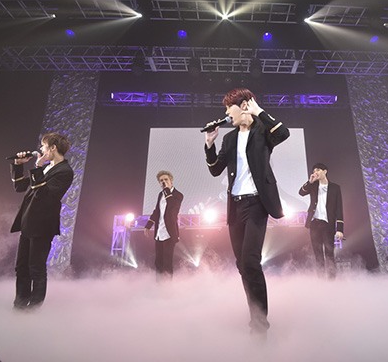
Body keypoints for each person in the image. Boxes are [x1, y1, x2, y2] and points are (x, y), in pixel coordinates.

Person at [204, 88, 290, 336]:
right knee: (243, 265)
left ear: (242, 106)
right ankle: (255, 315)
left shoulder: (262, 130)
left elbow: (283, 133)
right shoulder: (230, 139)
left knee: (251, 261)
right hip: (236, 206)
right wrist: (209, 143)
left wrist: (258, 111)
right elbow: (215, 169)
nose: (226, 113)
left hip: (256, 205)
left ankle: (260, 325)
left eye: (228, 108)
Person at [10, 133, 74, 309]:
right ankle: (20, 304)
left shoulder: (65, 171)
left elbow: (44, 196)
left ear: (53, 148)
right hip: (28, 221)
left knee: (36, 268)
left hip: (43, 224)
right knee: (21, 267)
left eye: (44, 146)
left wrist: (38, 167)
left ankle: (34, 308)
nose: (41, 149)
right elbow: (20, 186)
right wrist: (18, 165)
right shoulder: (47, 168)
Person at [298, 163, 344, 279]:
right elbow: (301, 193)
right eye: (314, 171)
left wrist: (340, 229)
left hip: (328, 224)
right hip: (314, 223)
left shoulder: (335, 188)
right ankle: (321, 281)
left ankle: (332, 280)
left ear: (325, 171)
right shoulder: (313, 186)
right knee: (318, 254)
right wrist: (310, 182)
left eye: (318, 170)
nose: (315, 172)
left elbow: (339, 208)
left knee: (329, 253)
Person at [145, 170, 184, 280]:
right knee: (158, 262)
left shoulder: (178, 195)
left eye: (166, 179)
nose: (163, 182)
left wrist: (167, 190)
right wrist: (148, 225)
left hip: (169, 233)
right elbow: (157, 211)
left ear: (171, 181)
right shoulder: (160, 195)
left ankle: (167, 286)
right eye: (161, 180)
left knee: (167, 262)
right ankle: (159, 284)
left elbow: (172, 208)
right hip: (159, 232)